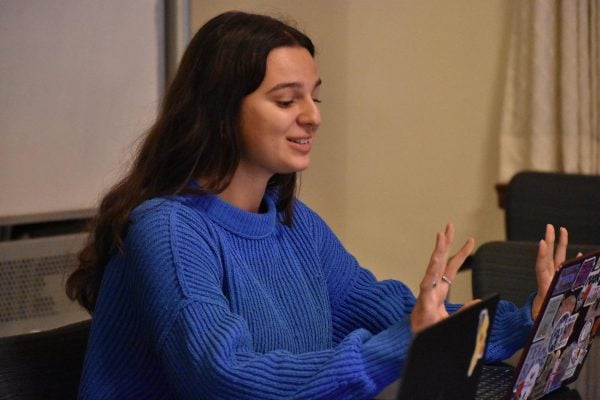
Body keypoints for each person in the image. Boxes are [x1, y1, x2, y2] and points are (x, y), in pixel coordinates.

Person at [66, 11, 569, 399]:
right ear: (220, 113)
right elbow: (221, 377)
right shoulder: (169, 230)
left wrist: (532, 316)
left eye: (314, 98)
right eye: (287, 101)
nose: (312, 117)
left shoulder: (292, 223)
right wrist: (405, 343)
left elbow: (388, 312)